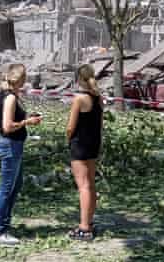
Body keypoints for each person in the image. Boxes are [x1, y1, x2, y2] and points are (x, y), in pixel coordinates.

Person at [0, 63, 42, 246]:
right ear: (20, 78)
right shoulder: (10, 97)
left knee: (16, 184)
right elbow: (7, 126)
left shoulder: (9, 95)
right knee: (6, 188)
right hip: (10, 144)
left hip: (14, 145)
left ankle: (5, 223)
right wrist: (27, 121)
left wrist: (27, 117)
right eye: (25, 77)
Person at [66, 64, 103, 241]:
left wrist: (68, 138)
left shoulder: (79, 99)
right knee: (91, 184)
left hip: (79, 145)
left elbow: (70, 127)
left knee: (83, 186)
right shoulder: (98, 98)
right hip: (93, 144)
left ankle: (84, 227)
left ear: (78, 79)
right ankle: (89, 220)